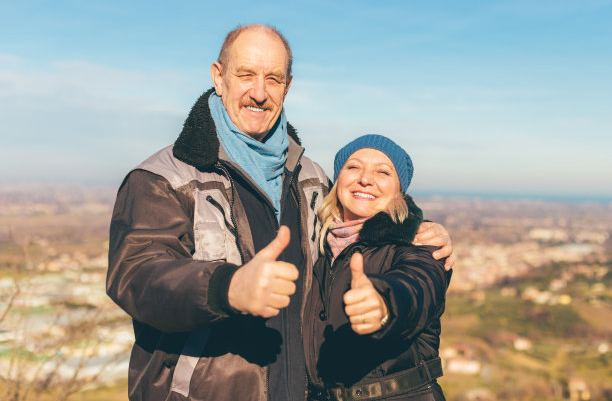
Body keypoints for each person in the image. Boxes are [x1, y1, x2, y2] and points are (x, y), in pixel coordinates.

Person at [106, 24, 454, 401]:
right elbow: (135, 275)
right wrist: (226, 288)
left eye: (272, 79)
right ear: (218, 78)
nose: (259, 92)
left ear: (287, 87)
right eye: (245, 75)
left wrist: (419, 230)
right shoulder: (165, 178)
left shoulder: (310, 178)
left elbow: (370, 230)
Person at [304, 135, 451, 401]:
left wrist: (385, 303)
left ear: (399, 190)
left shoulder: (422, 245)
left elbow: (418, 286)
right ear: (338, 181)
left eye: (383, 172)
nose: (365, 179)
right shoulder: (318, 250)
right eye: (353, 167)